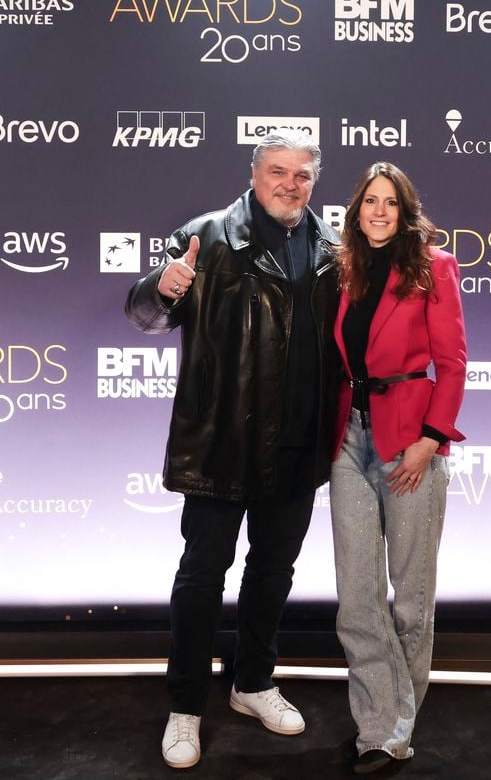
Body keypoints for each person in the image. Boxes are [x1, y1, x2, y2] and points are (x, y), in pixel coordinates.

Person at [125, 129, 340, 769]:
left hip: (299, 446)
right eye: (278, 171)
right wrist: (164, 287)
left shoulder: (332, 248)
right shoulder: (207, 235)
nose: (290, 183)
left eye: (302, 174)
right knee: (201, 578)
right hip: (221, 442)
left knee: (273, 575)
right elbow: (145, 315)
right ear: (254, 173)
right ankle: (185, 706)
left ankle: (252, 684)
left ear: (313, 181)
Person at [330, 162, 467, 776]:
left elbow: (453, 362)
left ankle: (394, 727)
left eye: (390, 202)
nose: (379, 212)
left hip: (409, 440)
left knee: (410, 598)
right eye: (370, 202)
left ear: (405, 211)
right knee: (357, 598)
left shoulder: (434, 268)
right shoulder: (345, 270)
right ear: (356, 211)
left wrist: (431, 439)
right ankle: (379, 728)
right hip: (349, 443)